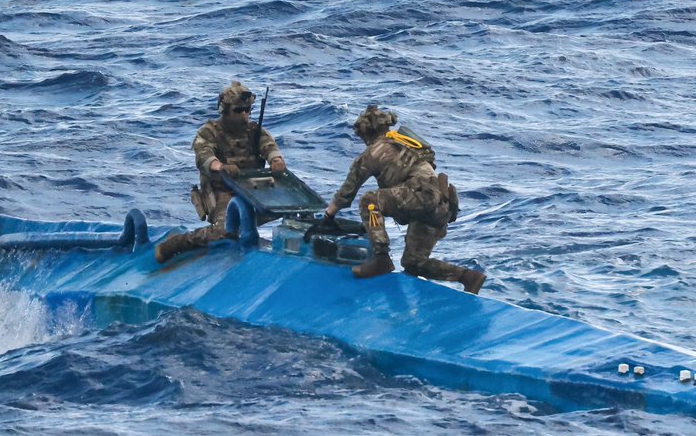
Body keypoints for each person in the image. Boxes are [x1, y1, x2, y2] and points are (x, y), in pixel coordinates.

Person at [321, 105, 485, 294]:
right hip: (440, 205)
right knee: (413, 263)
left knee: (369, 200)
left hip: (420, 197)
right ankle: (468, 277)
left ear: (366, 134)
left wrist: (328, 215)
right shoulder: (407, 143)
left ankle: (381, 258)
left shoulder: (374, 151)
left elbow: (347, 191)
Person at [155, 81, 286, 263]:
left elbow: (269, 146)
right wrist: (221, 167)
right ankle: (178, 243)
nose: (244, 116)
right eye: (238, 111)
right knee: (224, 230)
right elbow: (204, 156)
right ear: (225, 110)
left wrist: (276, 160)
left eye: (247, 111)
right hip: (222, 191)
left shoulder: (255, 131)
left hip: (253, 190)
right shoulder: (209, 132)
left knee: (295, 210)